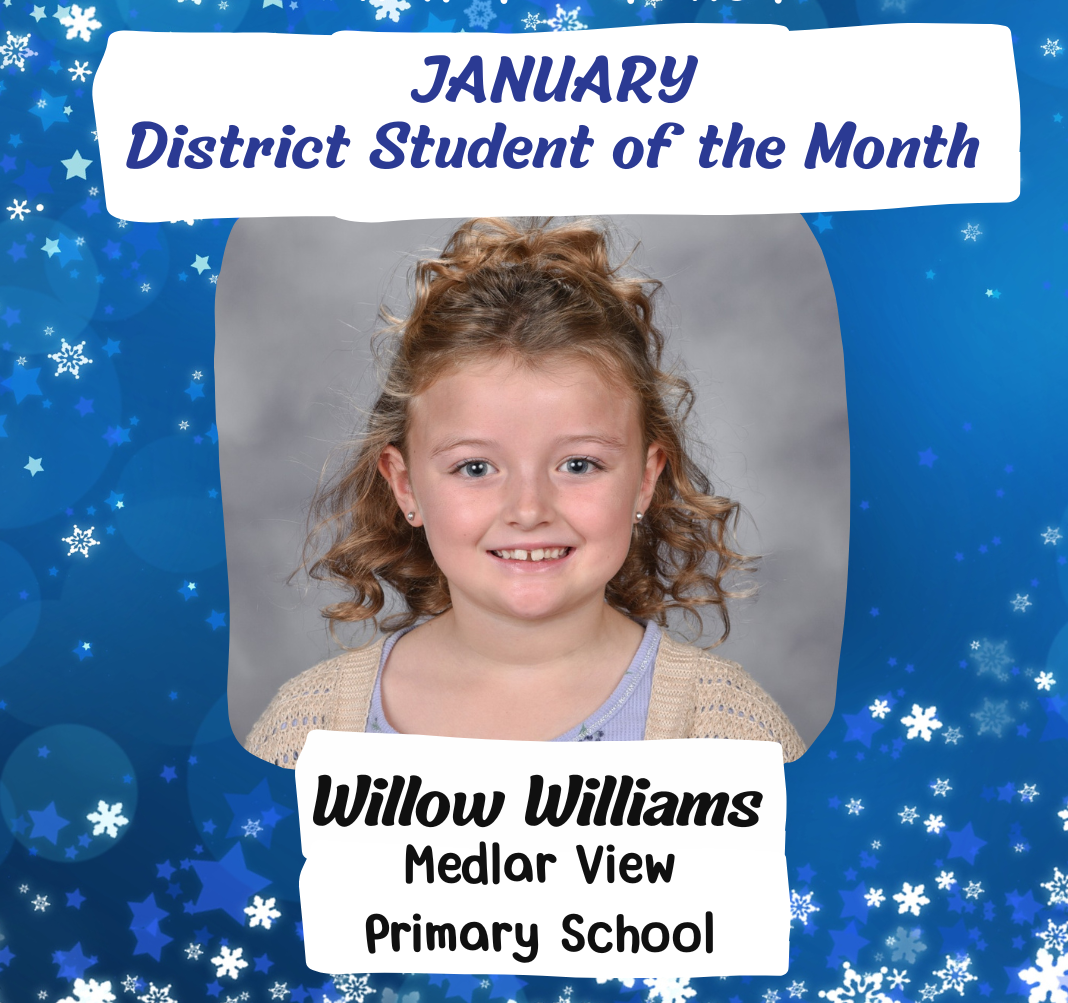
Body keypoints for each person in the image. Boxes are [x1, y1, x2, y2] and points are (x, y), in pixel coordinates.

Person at [244, 217, 805, 766]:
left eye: (579, 464)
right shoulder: (311, 732)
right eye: (475, 468)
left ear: (645, 479)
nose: (529, 510)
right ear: (406, 486)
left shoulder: (727, 738)